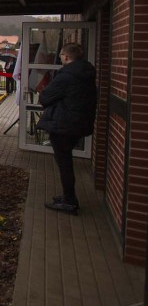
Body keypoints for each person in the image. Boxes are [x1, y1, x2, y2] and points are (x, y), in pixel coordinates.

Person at [38, 43, 97, 215]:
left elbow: (45, 97)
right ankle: (67, 197)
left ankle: (70, 200)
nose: (60, 57)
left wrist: (44, 92)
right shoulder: (86, 73)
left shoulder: (67, 76)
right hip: (78, 123)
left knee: (64, 164)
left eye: (61, 54)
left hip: (64, 124)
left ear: (66, 56)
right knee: (66, 162)